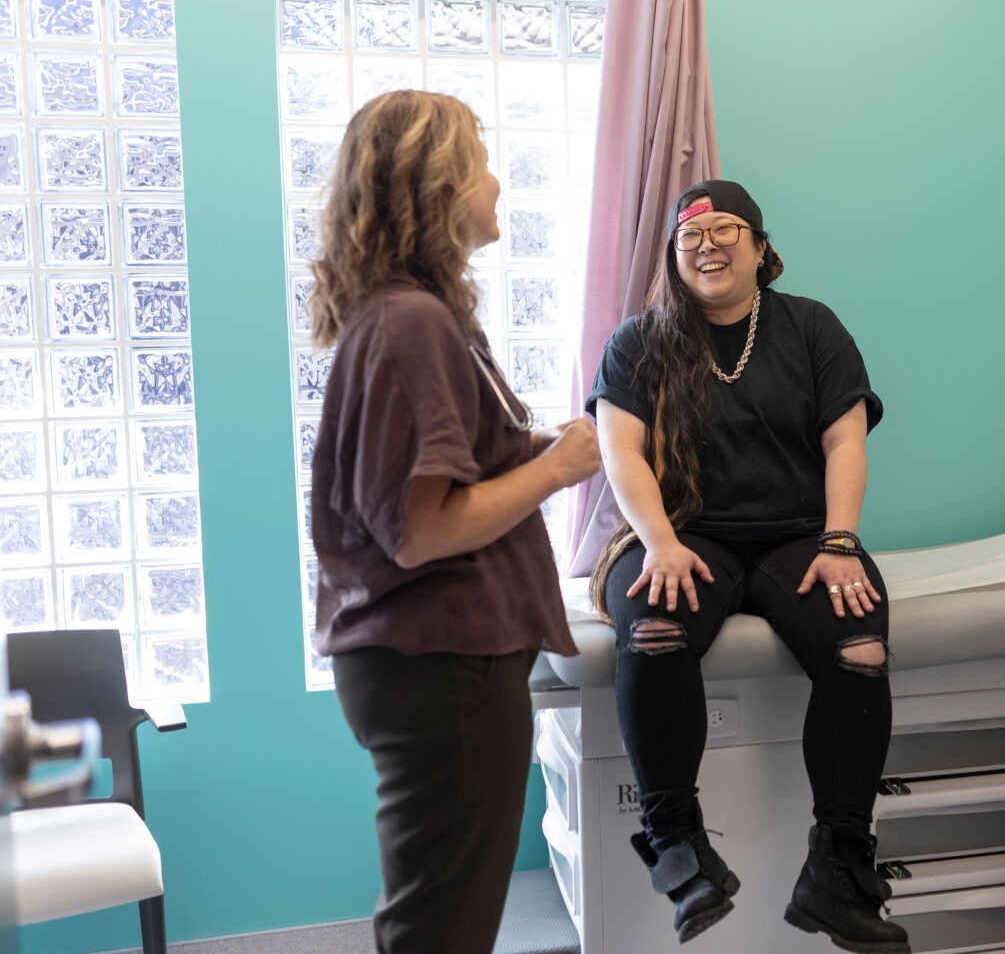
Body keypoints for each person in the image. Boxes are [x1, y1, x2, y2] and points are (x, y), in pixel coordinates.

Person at [307, 90, 601, 954]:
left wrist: (531, 448)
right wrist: (555, 471)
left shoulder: (411, 318)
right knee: (440, 932)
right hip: (442, 667)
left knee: (440, 920)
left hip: (435, 663)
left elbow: (434, 476)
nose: (498, 184)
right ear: (437, 186)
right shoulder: (412, 324)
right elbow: (420, 531)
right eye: (481, 165)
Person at [586, 180, 909, 953]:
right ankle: (676, 846)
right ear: (674, 256)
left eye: (726, 229)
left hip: (799, 537)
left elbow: (845, 439)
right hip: (684, 533)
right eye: (690, 237)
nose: (707, 245)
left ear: (762, 248)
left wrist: (840, 541)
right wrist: (659, 541)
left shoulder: (811, 327)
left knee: (860, 642)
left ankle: (838, 866)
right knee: (654, 625)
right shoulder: (638, 341)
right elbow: (619, 449)